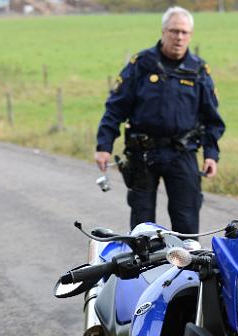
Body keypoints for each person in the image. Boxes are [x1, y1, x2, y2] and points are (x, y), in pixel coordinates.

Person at [95, 6, 225, 234]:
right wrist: (104, 146)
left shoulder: (198, 71)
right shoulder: (141, 65)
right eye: (174, 31)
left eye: (185, 32)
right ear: (164, 31)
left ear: (191, 35)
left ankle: (187, 269)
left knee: (187, 224)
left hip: (182, 154)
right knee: (142, 228)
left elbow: (212, 119)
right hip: (143, 154)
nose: (179, 37)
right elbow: (115, 107)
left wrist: (211, 154)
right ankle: (143, 269)